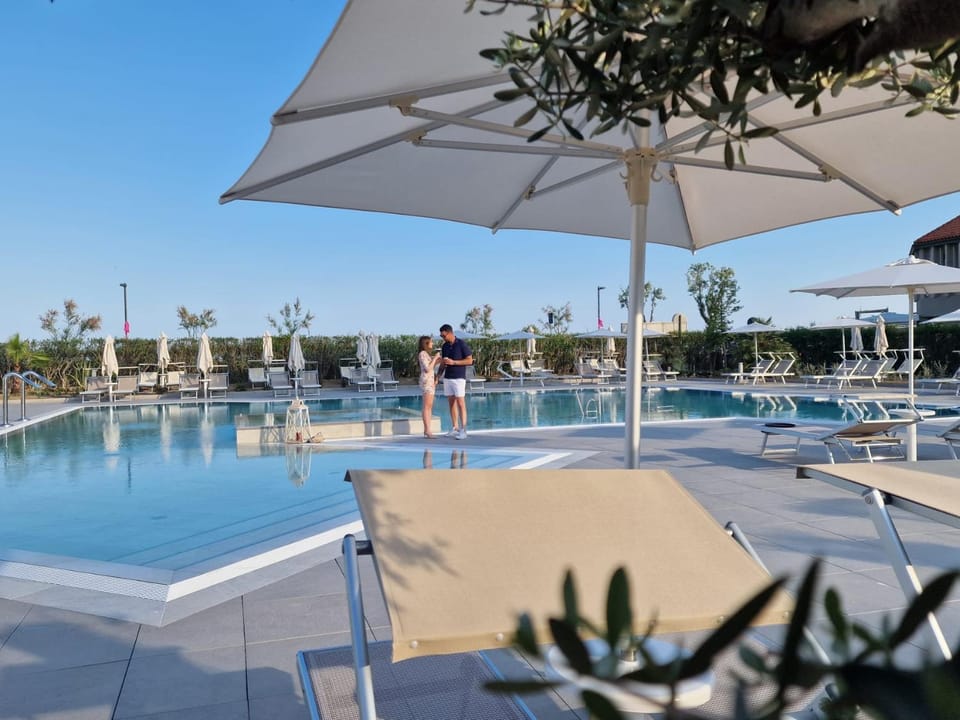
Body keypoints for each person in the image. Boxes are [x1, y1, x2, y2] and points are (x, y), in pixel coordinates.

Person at [439, 324, 473, 440]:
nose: (442, 338)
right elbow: (443, 363)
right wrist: (438, 375)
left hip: (459, 378)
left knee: (461, 403)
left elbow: (469, 360)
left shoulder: (461, 344)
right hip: (448, 378)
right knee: (451, 403)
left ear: (450, 333)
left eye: (443, 335)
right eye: (441, 336)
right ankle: (455, 427)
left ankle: (463, 430)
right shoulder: (445, 346)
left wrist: (454, 363)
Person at [417, 335, 442, 438]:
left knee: (429, 406)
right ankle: (427, 430)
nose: (433, 344)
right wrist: (435, 358)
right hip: (426, 382)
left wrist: (438, 360)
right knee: (427, 407)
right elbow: (427, 368)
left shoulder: (426, 354)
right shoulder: (422, 354)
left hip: (430, 382)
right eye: (431, 342)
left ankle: (427, 430)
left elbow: (432, 365)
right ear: (426, 343)